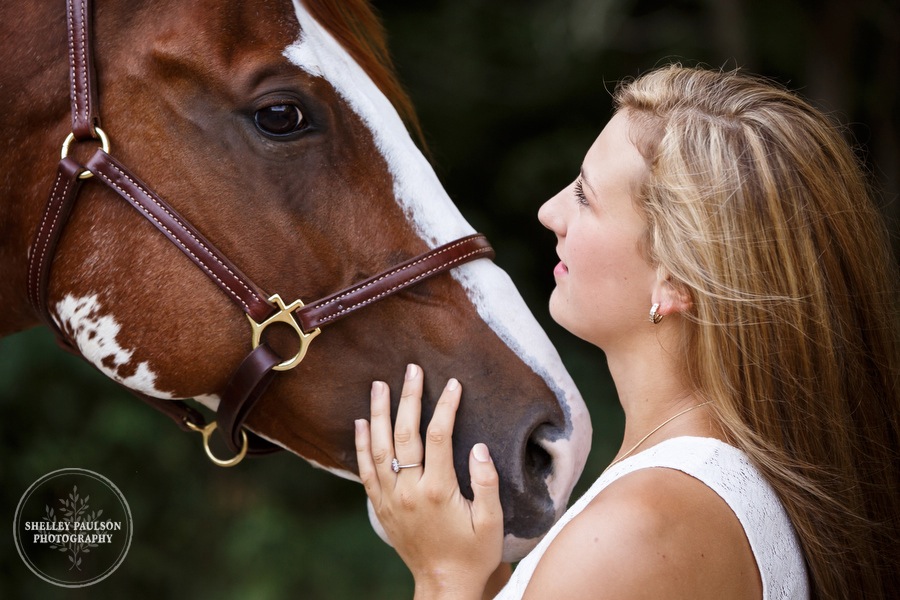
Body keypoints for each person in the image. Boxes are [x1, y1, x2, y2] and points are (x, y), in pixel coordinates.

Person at [353, 64, 900, 600]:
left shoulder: (636, 531)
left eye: (585, 197)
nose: (549, 211)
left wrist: (443, 576)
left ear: (675, 280)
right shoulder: (698, 497)